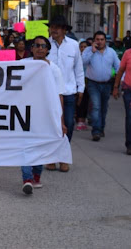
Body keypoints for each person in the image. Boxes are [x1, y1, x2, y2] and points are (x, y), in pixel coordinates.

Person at [20, 35, 66, 195]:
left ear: (47, 50)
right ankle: (27, 178)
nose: (40, 48)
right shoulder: (23, 65)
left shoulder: (54, 69)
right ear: (31, 48)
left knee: (40, 146)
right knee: (25, 145)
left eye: (43, 46)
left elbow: (59, 95)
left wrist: (61, 120)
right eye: (36, 45)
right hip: (24, 113)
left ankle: (36, 175)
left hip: (45, 114)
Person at [46, 15, 84, 173]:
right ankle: (51, 158)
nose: (53, 30)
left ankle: (63, 158)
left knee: (68, 124)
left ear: (63, 30)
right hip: (48, 92)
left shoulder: (74, 45)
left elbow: (78, 69)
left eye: (56, 27)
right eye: (51, 27)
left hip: (68, 92)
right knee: (50, 125)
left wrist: (81, 88)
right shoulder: (44, 44)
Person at [82, 31, 120, 142]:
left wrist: (119, 82)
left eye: (102, 39)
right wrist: (92, 52)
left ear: (105, 41)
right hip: (93, 83)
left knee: (103, 108)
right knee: (96, 106)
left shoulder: (111, 52)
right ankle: (96, 131)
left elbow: (118, 66)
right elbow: (82, 62)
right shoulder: (88, 50)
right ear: (94, 41)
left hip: (107, 84)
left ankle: (101, 127)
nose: (100, 42)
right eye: (97, 39)